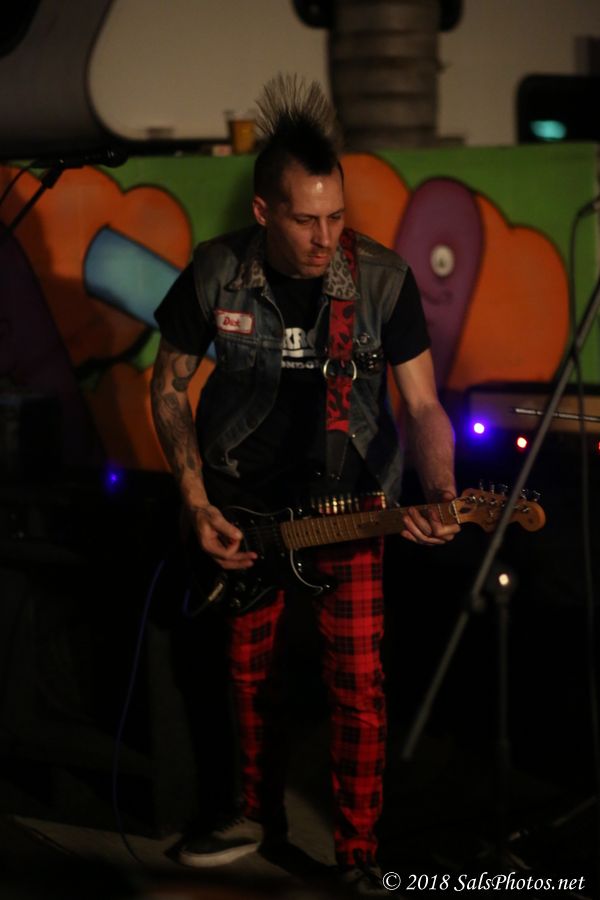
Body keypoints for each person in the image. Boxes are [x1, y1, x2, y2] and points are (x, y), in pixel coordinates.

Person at [150, 74, 459, 895]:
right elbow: (167, 386)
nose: (327, 238)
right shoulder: (216, 272)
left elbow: (424, 405)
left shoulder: (381, 280)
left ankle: (358, 855)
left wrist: (438, 488)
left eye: (336, 217)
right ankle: (254, 813)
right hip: (244, 508)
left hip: (350, 508)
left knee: (357, 685)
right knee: (248, 675)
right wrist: (196, 503)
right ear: (264, 211)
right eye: (305, 220)